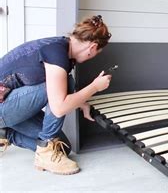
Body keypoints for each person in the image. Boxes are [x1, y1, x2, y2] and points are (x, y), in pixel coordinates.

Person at [0, 15, 112, 175]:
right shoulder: (56, 53)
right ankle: (45, 151)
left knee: (63, 148)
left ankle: (6, 133)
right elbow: (59, 107)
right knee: (67, 83)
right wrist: (94, 87)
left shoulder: (61, 46)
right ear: (92, 47)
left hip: (9, 104)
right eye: (97, 53)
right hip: (3, 107)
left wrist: (82, 103)